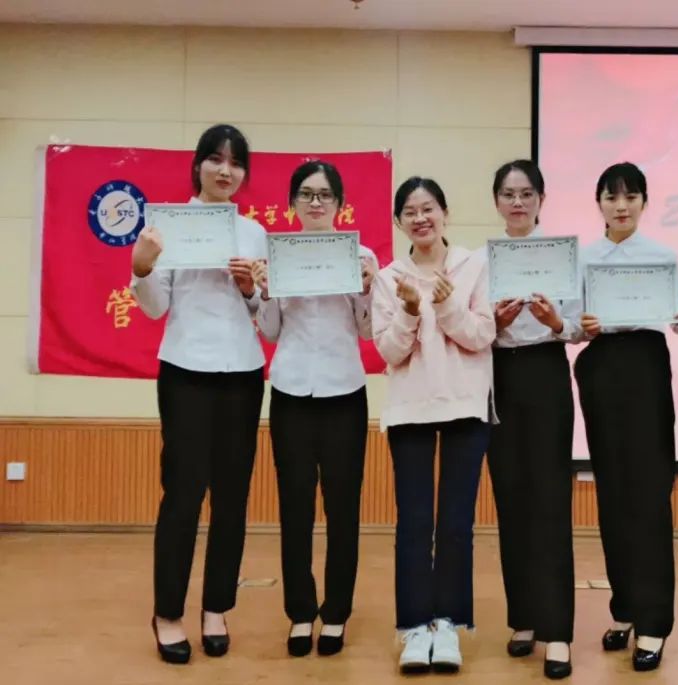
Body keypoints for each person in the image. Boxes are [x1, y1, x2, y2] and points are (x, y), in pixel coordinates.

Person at [131, 124, 267, 664]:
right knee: (183, 495)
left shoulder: (254, 233)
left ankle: (216, 608)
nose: (225, 170)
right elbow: (155, 307)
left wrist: (250, 287)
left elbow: (262, 313)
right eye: (215, 159)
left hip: (242, 373)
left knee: (232, 498)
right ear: (198, 167)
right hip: (185, 370)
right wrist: (142, 266)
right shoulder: (168, 224)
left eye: (235, 162)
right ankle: (168, 613)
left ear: (243, 174)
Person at [575, 162, 678, 672]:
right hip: (600, 368)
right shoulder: (584, 258)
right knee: (612, 492)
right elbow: (570, 325)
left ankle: (654, 622)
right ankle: (626, 608)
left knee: (650, 493)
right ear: (598, 203)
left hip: (646, 366)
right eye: (611, 197)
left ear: (644, 202)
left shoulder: (662, 256)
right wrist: (581, 325)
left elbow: (676, 321)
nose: (621, 206)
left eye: (630, 197)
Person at [250, 160, 378, 658]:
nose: (316, 202)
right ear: (292, 204)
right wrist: (264, 293)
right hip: (291, 392)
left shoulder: (360, 255)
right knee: (295, 507)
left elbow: (368, 331)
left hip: (345, 391)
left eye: (325, 194)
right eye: (306, 194)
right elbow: (270, 332)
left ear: (340, 204)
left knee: (343, 508)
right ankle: (301, 612)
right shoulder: (277, 254)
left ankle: (337, 612)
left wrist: (366, 290)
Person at [370, 177, 495, 674]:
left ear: (445, 213)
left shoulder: (474, 266)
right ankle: (414, 626)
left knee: (457, 523)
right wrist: (409, 310)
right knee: (415, 523)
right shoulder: (389, 278)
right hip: (410, 408)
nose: (420, 218)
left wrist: (445, 305)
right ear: (399, 222)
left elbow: (481, 335)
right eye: (410, 211)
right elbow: (389, 351)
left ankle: (449, 624)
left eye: (428, 208)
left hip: (465, 404)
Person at [487, 160, 578, 680]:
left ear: (541, 199)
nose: (517, 202)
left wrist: (556, 321)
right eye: (508, 194)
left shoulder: (562, 254)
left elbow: (582, 325)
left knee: (550, 499)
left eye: (526, 193)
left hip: (546, 370)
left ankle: (558, 630)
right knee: (511, 496)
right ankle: (523, 617)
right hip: (500, 375)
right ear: (496, 202)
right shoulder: (483, 259)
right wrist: (493, 323)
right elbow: (472, 326)